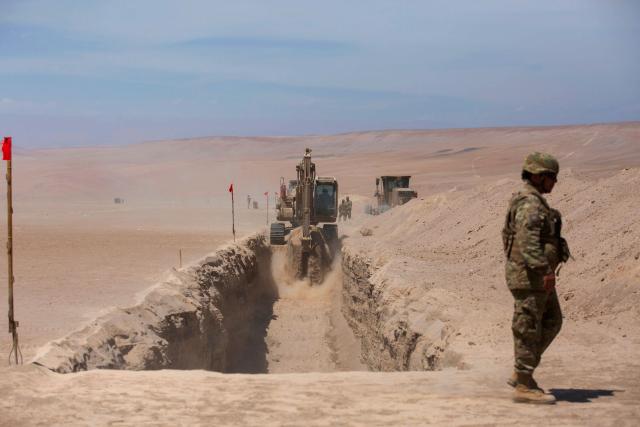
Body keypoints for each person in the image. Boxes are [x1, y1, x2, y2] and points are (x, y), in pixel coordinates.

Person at [502, 152, 571, 404]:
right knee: (528, 327)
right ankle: (523, 385)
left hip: (536, 277)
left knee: (552, 321)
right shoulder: (529, 204)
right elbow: (528, 242)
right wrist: (545, 270)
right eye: (551, 177)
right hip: (529, 277)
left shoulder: (536, 201)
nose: (554, 182)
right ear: (538, 176)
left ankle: (523, 371)